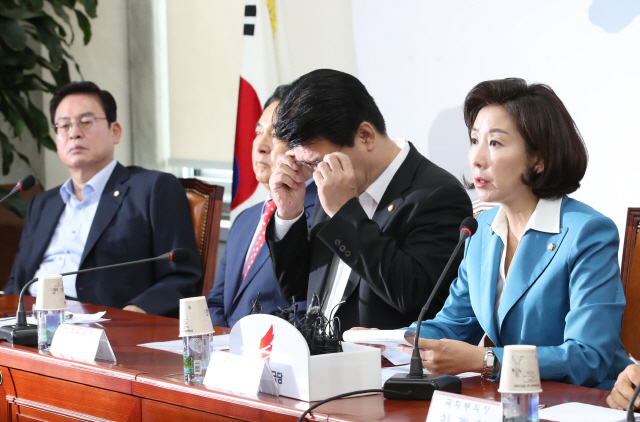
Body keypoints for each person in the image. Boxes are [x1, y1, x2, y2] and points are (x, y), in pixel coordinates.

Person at [393, 78, 631, 388]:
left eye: (494, 143)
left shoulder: (587, 233)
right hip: (516, 399)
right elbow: (452, 326)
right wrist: (388, 341)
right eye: (474, 140)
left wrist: (485, 361)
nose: (477, 159)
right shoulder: (479, 231)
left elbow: (587, 357)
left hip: (586, 402)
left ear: (539, 158)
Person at [266, 69, 472, 332]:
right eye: (307, 164)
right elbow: (294, 289)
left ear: (365, 136)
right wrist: (289, 212)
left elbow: (415, 298)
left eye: (317, 161)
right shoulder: (331, 178)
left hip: (383, 367)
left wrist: (344, 213)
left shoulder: (436, 195)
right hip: (319, 357)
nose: (316, 173)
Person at [3, 81, 201, 317]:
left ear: (114, 131)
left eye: (86, 122)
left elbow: (182, 275)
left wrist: (135, 311)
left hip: (102, 326)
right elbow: (18, 281)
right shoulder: (43, 203)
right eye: (64, 125)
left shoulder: (152, 189)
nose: (74, 132)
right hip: (28, 322)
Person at [207, 85, 317, 327]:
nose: (260, 145)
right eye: (258, 132)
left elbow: (309, 311)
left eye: (276, 133)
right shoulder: (245, 219)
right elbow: (216, 302)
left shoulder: (325, 213)